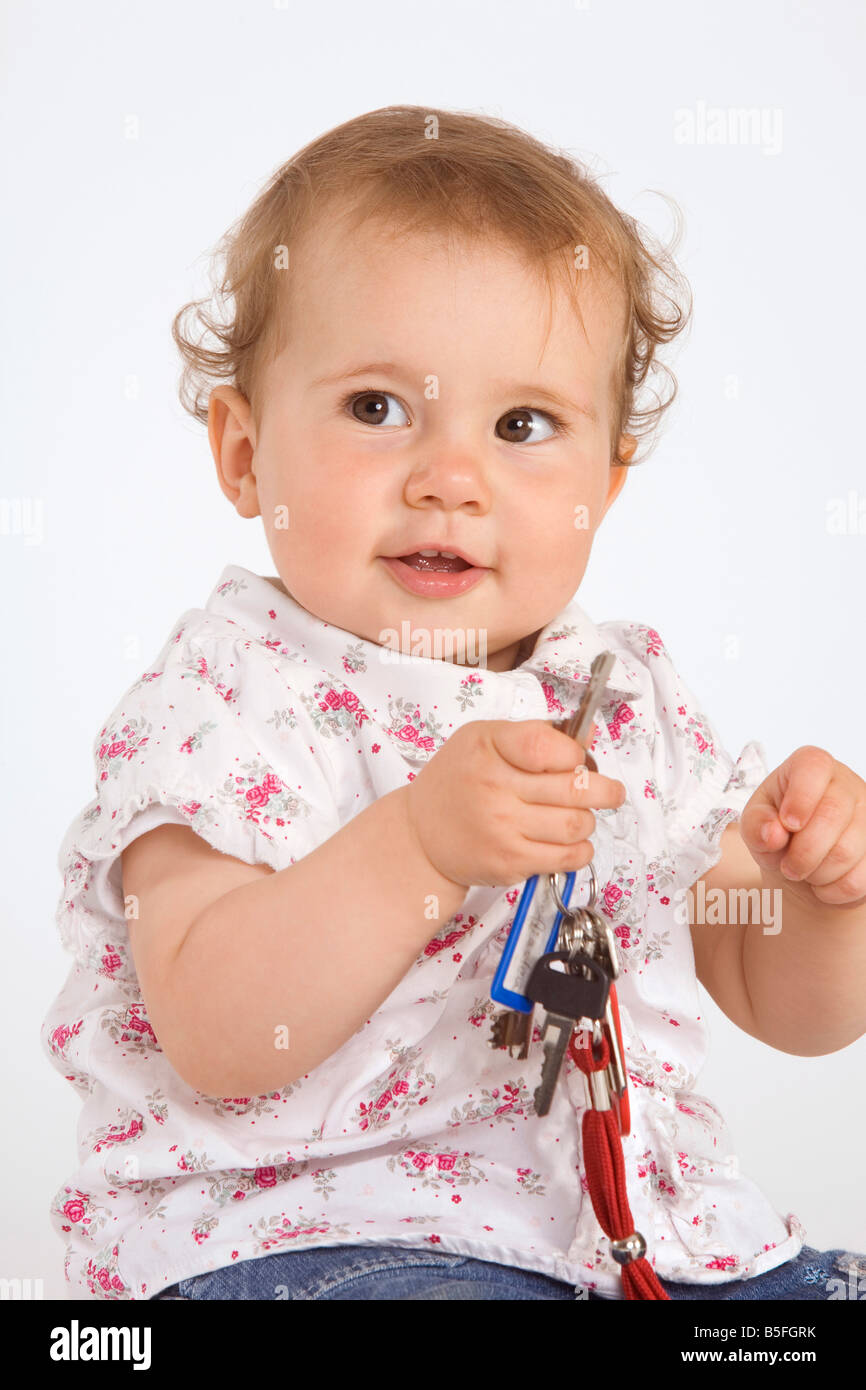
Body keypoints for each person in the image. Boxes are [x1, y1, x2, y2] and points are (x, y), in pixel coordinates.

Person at [42, 105, 866, 1302]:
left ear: (603, 484)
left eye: (521, 425)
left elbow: (780, 1004)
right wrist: (418, 845)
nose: (450, 479)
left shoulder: (621, 697)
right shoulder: (230, 693)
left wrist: (820, 891)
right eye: (377, 408)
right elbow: (218, 1033)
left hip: (633, 1237)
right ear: (240, 448)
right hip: (309, 1237)